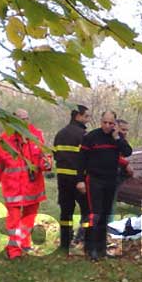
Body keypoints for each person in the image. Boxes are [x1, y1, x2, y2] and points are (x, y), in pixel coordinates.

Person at [0, 108, 51, 259]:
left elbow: (43, 157)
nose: (24, 122)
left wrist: (46, 164)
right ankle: (14, 251)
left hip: (33, 188)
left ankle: (24, 242)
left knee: (28, 218)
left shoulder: (36, 136)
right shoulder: (3, 140)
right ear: (13, 121)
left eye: (26, 119)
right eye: (21, 119)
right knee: (13, 221)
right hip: (13, 189)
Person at [76, 110, 132, 261]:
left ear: (115, 124)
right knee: (96, 213)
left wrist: (117, 138)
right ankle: (91, 247)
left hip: (111, 180)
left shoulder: (117, 138)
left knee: (106, 214)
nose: (107, 126)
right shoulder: (91, 137)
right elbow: (81, 159)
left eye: (111, 123)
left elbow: (127, 152)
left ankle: (101, 248)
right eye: (105, 122)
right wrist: (80, 179)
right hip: (94, 180)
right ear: (101, 121)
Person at [53, 104, 90, 252]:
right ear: (78, 116)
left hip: (62, 178)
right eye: (86, 116)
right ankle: (86, 240)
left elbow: (56, 155)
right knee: (87, 210)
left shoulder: (59, 134)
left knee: (66, 211)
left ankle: (65, 242)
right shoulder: (84, 136)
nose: (88, 119)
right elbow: (87, 158)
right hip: (79, 179)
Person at [108, 118, 134, 224]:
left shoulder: (120, 140)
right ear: (116, 127)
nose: (125, 133)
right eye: (123, 130)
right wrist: (125, 164)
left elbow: (127, 151)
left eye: (126, 130)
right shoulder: (109, 138)